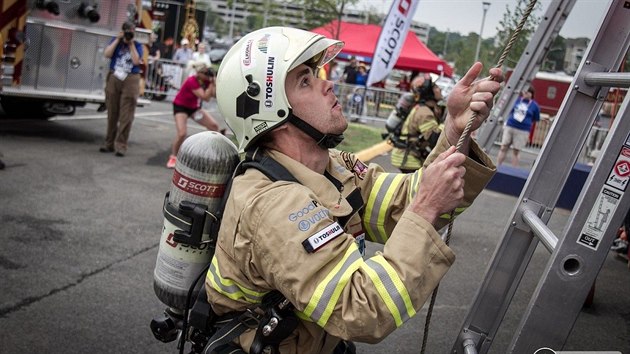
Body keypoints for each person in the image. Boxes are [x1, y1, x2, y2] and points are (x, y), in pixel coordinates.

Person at [204, 27, 502, 354]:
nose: (327, 83)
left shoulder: (331, 167)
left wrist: (454, 130)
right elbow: (361, 310)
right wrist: (426, 207)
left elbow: (404, 203)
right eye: (306, 80)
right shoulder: (273, 204)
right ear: (273, 113)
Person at [99, 20, 143, 157]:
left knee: (126, 114)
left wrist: (131, 44)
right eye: (127, 31)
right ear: (122, 31)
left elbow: (136, 61)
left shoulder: (137, 44)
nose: (130, 33)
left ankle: (121, 145)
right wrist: (118, 40)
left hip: (131, 77)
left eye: (132, 31)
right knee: (112, 111)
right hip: (115, 76)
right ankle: (109, 143)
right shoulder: (116, 41)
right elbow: (107, 54)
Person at [166, 62, 221, 169]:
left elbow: (213, 95)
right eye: (205, 73)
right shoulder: (192, 80)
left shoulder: (205, 81)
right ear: (198, 73)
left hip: (193, 108)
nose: (206, 75)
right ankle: (173, 156)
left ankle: (213, 153)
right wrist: (211, 85)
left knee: (214, 126)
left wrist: (214, 83)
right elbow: (205, 97)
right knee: (182, 133)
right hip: (181, 106)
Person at [390, 74, 445, 173]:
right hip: (409, 159)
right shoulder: (424, 111)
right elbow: (434, 139)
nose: (440, 89)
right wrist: (446, 123)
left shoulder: (422, 108)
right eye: (435, 87)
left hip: (407, 156)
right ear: (427, 91)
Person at [496, 86, 540, 167]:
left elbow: (536, 118)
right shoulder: (516, 100)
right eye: (525, 91)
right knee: (503, 147)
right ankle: (498, 166)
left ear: (532, 94)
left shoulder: (535, 105)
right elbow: (510, 110)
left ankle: (514, 170)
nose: (526, 93)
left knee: (516, 151)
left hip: (523, 130)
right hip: (510, 126)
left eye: (528, 92)